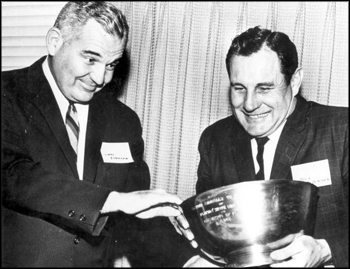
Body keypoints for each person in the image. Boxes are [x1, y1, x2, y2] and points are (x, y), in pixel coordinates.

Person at [1, 2, 195, 267]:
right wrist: (112, 200)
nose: (101, 77)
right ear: (55, 42)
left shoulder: (124, 121)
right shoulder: (7, 94)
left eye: (112, 64)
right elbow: (12, 174)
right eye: (91, 59)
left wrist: (188, 260)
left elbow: (136, 213)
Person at [186, 26, 348, 267]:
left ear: (294, 81)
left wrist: (325, 250)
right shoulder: (214, 140)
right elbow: (208, 235)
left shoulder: (341, 130)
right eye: (239, 88)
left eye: (264, 88)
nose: (249, 104)